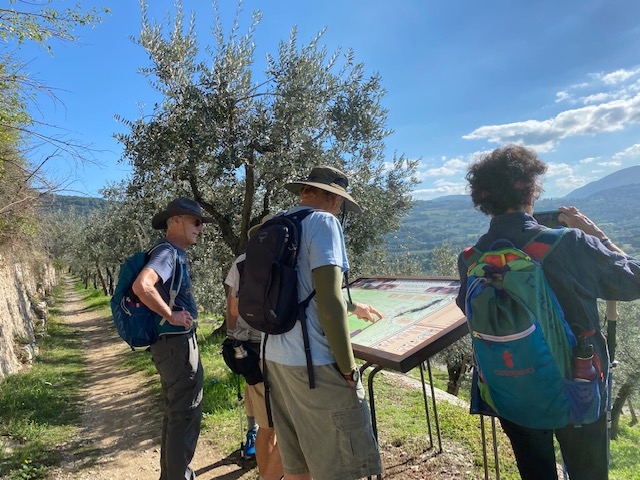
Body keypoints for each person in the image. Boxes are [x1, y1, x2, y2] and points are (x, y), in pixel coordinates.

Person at [455, 145, 640, 480]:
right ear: (531, 189)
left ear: (483, 198)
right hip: (577, 386)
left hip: (511, 390)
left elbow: (466, 306)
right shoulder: (570, 243)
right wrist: (596, 234)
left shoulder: (471, 258)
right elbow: (634, 280)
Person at [263, 165, 384, 480]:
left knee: (297, 465)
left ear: (305, 191)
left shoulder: (275, 223)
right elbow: (329, 303)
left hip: (274, 357)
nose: (340, 208)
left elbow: (301, 290)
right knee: (342, 467)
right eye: (341, 201)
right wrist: (347, 367)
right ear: (332, 197)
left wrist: (354, 305)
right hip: (313, 364)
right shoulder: (323, 222)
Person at [132, 197, 211, 480]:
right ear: (175, 220)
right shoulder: (167, 253)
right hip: (176, 345)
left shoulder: (172, 253)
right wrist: (173, 315)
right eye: (196, 222)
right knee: (185, 415)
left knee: (177, 414)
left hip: (170, 346)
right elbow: (143, 286)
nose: (201, 229)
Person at [225, 216, 285, 480]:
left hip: (249, 350)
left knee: (267, 424)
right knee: (279, 426)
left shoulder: (241, 262)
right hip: (274, 349)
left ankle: (266, 473)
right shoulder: (281, 261)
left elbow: (232, 309)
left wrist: (234, 338)